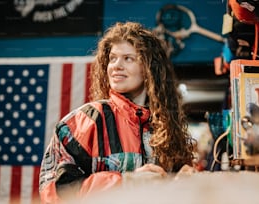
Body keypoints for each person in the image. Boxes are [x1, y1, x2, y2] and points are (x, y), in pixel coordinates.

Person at [39, 21, 196, 203]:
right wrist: (124, 183)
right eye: (113, 58)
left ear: (149, 68)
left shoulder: (166, 126)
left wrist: (183, 182)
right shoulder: (81, 122)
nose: (116, 66)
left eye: (128, 58)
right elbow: (52, 192)